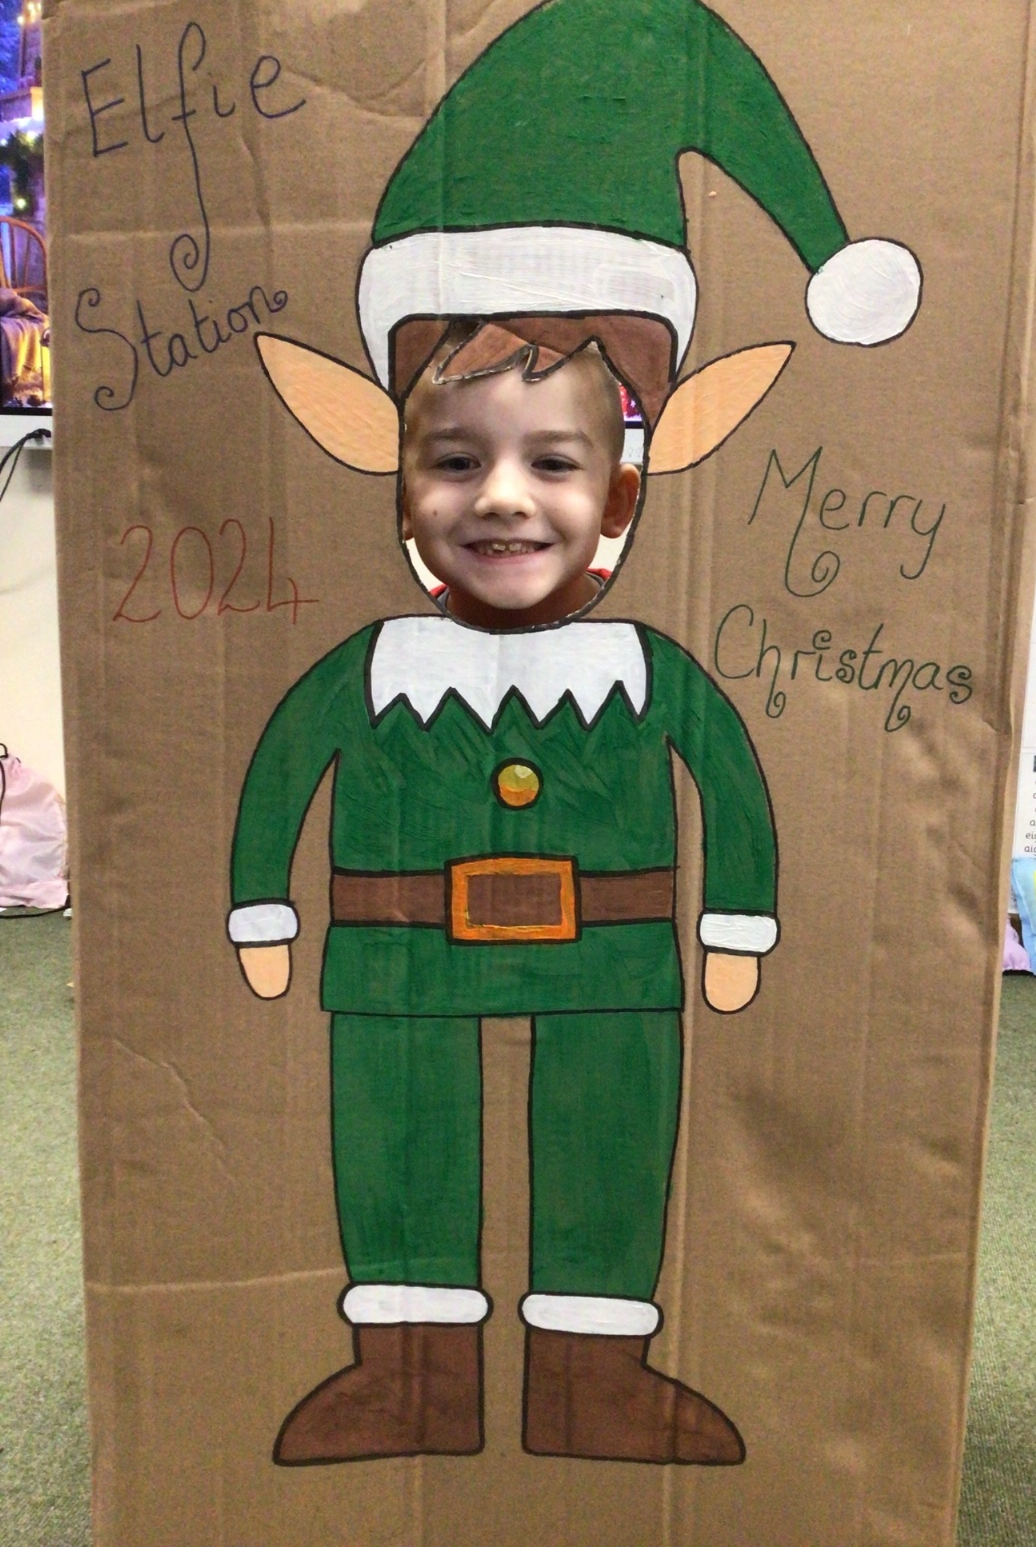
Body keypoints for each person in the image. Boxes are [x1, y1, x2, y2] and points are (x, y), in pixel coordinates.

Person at [229, 320, 780, 1465]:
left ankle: (596, 1380)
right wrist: (261, 908)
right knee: (398, 1142)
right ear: (403, 498)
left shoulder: (645, 670)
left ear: (619, 498)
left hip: (608, 964)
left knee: (609, 1138)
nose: (502, 497)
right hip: (398, 963)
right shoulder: (373, 667)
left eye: (553, 462)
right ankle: (408, 1379)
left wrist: (735, 926)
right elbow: (282, 772)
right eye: (455, 460)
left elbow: (730, 781)